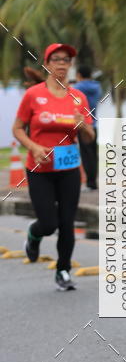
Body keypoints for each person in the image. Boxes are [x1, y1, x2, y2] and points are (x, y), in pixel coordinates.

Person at [12, 43, 95, 291]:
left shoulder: (78, 97)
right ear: (47, 64)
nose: (61, 63)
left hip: (69, 169)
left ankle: (63, 271)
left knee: (67, 222)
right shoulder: (33, 95)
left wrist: (83, 127)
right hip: (40, 170)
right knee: (49, 224)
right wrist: (34, 147)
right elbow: (17, 128)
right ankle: (34, 234)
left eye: (66, 60)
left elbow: (89, 138)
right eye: (56, 59)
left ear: (71, 65)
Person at [73, 65, 101, 190]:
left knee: (86, 155)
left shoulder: (78, 88)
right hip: (94, 124)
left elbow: (69, 92)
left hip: (83, 125)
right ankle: (93, 182)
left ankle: (90, 184)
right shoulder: (97, 87)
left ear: (79, 75)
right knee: (93, 155)